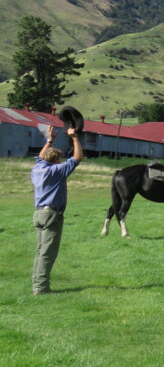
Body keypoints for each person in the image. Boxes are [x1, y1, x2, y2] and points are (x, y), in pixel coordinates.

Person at [31, 124, 83, 295]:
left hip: (38, 214)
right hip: (51, 214)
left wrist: (50, 140)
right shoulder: (57, 171)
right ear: (55, 161)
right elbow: (77, 158)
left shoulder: (37, 168)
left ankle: (37, 284)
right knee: (48, 253)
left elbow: (40, 157)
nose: (61, 162)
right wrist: (74, 137)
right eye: (59, 159)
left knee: (40, 251)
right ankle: (41, 288)